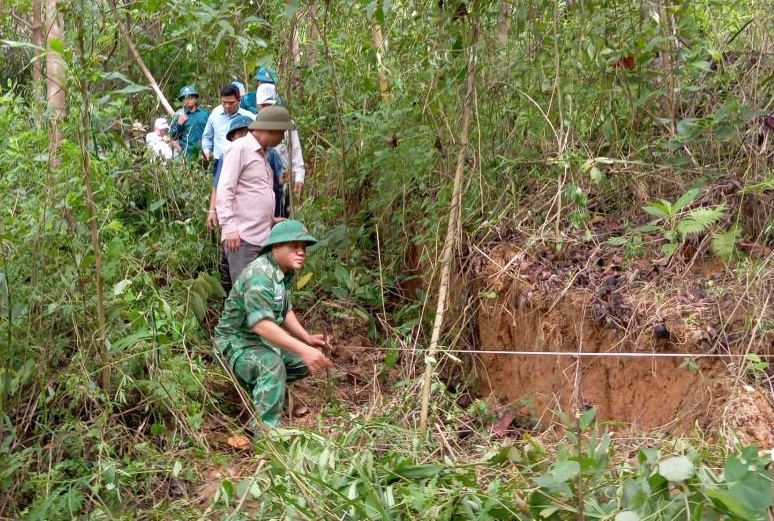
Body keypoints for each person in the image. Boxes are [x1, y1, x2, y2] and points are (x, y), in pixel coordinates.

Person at [214, 219, 333, 428]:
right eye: (294, 246)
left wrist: (307, 339)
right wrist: (303, 348)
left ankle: (266, 393)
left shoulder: (281, 273)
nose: (301, 252)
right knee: (272, 365)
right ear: (276, 246)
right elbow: (261, 324)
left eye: (304, 248)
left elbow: (284, 309)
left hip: (261, 343)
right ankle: (265, 432)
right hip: (236, 344)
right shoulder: (260, 274)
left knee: (304, 361)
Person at [215, 106, 295, 284]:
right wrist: (229, 228)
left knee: (260, 294)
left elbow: (251, 193)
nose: (282, 137)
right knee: (247, 293)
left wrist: (271, 220)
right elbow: (225, 189)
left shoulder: (262, 154)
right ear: (270, 129)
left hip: (261, 237)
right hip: (243, 238)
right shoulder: (240, 148)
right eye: (281, 132)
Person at [255, 83, 306, 218]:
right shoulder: (253, 126)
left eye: (270, 106)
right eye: (263, 106)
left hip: (284, 184)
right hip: (262, 187)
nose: (267, 110)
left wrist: (299, 178)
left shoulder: (288, 124)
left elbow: (295, 151)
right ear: (258, 106)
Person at [202, 84, 254, 178]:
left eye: (231, 102)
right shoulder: (215, 113)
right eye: (224, 102)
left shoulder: (248, 118)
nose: (227, 106)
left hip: (242, 163)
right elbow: (207, 136)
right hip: (219, 163)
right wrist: (206, 151)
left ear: (239, 101)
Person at [169, 85, 209, 162]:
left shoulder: (205, 114)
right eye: (186, 97)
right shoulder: (178, 115)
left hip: (205, 153)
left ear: (195, 98)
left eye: (191, 97)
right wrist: (179, 124)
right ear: (182, 100)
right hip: (187, 155)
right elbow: (173, 137)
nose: (189, 99)